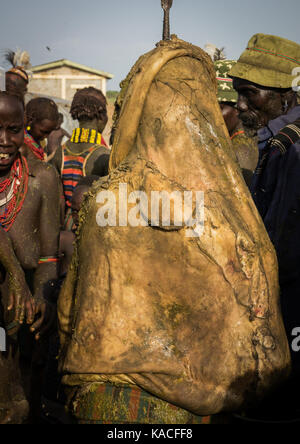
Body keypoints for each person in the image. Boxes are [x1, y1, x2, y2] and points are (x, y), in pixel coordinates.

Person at [229, 33, 300, 420]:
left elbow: (278, 249)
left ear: (285, 97)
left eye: (250, 93)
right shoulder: (274, 143)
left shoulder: (287, 147)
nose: (240, 104)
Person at [0, 92, 61, 421]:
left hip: (24, 308)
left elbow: (50, 256)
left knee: (24, 396)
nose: (4, 141)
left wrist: (42, 297)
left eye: (13, 130)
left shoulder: (43, 178)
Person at [51, 87, 110, 230]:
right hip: (92, 228)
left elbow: (57, 200)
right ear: (102, 117)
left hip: (66, 225)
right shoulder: (103, 156)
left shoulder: (61, 152)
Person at [215, 60, 258, 187]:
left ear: (237, 108)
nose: (212, 115)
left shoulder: (241, 152)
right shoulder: (232, 140)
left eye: (219, 108)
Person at [59, 175, 99, 276]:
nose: (77, 217)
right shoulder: (65, 240)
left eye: (83, 211)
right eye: (74, 211)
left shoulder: (108, 245)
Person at [22, 98, 60, 162]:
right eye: (43, 132)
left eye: (49, 132)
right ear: (31, 120)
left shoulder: (40, 142)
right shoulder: (20, 144)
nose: (46, 136)